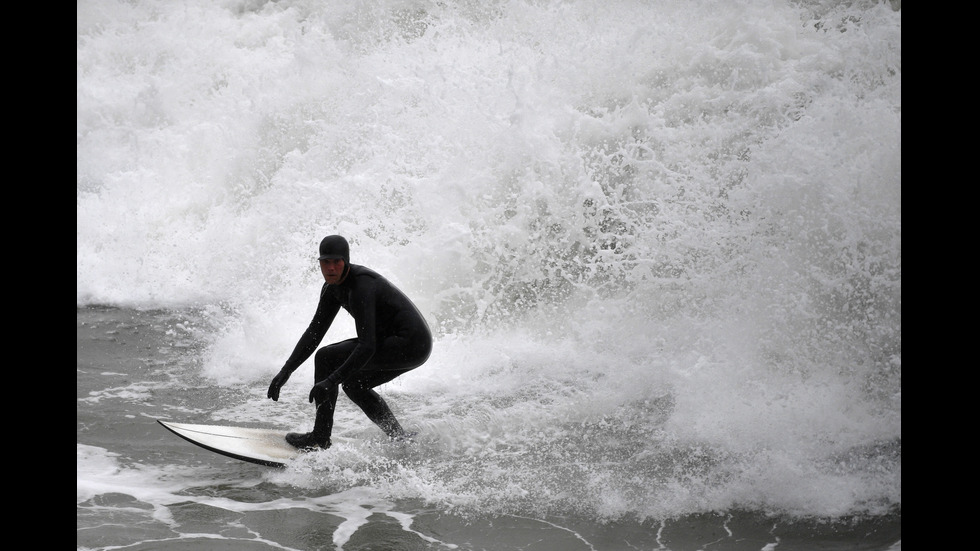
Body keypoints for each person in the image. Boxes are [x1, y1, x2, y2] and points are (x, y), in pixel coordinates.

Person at [266, 235, 432, 450]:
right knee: (354, 385)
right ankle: (399, 438)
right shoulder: (331, 288)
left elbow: (367, 346)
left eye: (337, 262)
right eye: (326, 262)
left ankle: (320, 437)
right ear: (319, 263)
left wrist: (330, 381)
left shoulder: (362, 286)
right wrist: (286, 371)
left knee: (326, 358)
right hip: (399, 343)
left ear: (346, 261)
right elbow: (314, 333)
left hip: (410, 343)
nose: (331, 268)